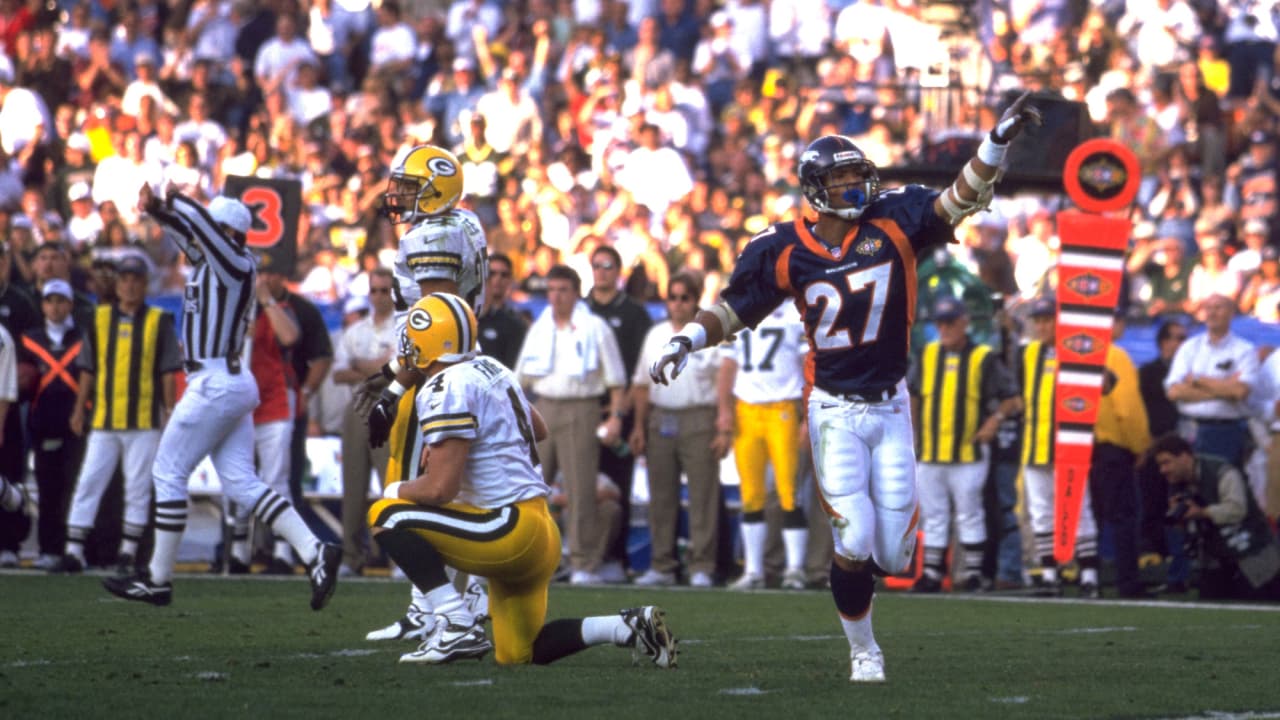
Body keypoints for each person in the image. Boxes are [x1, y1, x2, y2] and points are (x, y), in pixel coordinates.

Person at [649, 94, 1044, 682]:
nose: (855, 188)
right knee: (853, 539)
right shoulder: (781, 248)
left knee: (893, 555)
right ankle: (864, 650)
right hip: (833, 408)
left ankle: (875, 580)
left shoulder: (896, 219)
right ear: (813, 188)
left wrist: (995, 143)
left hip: (891, 406)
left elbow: (960, 198)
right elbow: (735, 309)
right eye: (840, 181)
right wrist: (687, 338)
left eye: (859, 176)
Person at [367, 292, 677, 667]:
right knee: (518, 653)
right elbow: (539, 428)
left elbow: (438, 489)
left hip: (505, 530)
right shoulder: (493, 369)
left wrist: (394, 488)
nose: (408, 345)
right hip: (540, 532)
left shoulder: (444, 385)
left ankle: (457, 622)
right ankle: (625, 627)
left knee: (386, 514)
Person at [103, 184, 340, 608]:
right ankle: (315, 550)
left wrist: (173, 201)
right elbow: (187, 235)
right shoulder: (221, 262)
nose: (202, 237)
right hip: (226, 381)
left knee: (168, 471)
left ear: (225, 231)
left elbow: (199, 230)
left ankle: (158, 578)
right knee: (243, 483)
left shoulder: (233, 262)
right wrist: (159, 211)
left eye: (214, 228)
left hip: (214, 381)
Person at [355, 144, 490, 642]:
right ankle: (436, 603)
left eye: (409, 188)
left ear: (437, 190)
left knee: (414, 493)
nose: (399, 196)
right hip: (457, 365)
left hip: (434, 376)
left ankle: (445, 608)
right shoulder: (466, 224)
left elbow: (435, 329)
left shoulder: (433, 234)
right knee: (445, 488)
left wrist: (394, 385)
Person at [54, 256, 180, 575]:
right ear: (118, 284)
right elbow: (88, 369)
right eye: (125, 279)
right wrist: (78, 409)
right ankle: (73, 551)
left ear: (145, 284)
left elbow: (168, 370)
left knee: (137, 487)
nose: (130, 285)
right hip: (105, 417)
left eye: (136, 279)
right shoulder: (100, 319)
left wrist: (169, 410)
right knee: (89, 482)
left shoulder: (159, 320)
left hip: (144, 418)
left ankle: (127, 552)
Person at [515, 265, 628, 585]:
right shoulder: (540, 326)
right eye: (551, 290)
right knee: (531, 486)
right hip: (544, 405)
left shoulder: (596, 327)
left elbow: (617, 381)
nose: (556, 296)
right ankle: (529, 558)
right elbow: (520, 377)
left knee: (580, 488)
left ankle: (583, 563)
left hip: (582, 407)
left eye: (563, 290)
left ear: (576, 292)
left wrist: (615, 418)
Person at [908, 296, 1021, 593]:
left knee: (969, 512)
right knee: (933, 515)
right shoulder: (928, 354)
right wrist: (914, 432)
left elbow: (1013, 399)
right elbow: (914, 394)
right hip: (931, 451)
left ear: (964, 323)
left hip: (968, 450)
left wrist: (993, 420)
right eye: (940, 323)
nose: (944, 329)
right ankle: (932, 574)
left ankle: (974, 575)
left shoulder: (983, 356)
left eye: (950, 323)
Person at [630, 272, 722, 588]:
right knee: (661, 496)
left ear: (695, 300)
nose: (678, 304)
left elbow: (722, 379)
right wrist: (639, 426)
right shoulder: (655, 334)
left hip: (699, 415)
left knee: (702, 494)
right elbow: (641, 385)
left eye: (684, 297)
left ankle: (701, 565)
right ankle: (662, 564)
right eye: (673, 297)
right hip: (661, 417)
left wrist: (723, 422)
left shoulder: (706, 334)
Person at [717, 300, 810, 590]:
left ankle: (795, 568)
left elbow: (809, 364)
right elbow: (728, 364)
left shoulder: (797, 312)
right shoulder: (739, 308)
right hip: (746, 409)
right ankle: (754, 570)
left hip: (783, 407)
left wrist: (807, 415)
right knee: (751, 494)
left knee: (789, 492)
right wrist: (724, 410)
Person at [1016, 296, 1102, 597]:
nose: (1041, 326)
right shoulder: (1027, 354)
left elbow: (1108, 382)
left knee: (1079, 509)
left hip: (1070, 446)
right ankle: (1050, 574)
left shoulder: (1078, 351)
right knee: (1041, 512)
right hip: (1035, 446)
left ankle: (1089, 575)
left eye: (1046, 319)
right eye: (1037, 320)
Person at [585, 244, 652, 582]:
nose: (602, 271)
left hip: (618, 412)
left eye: (608, 265)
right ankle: (582, 556)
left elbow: (638, 369)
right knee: (582, 486)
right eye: (596, 265)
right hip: (584, 410)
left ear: (619, 271)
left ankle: (617, 558)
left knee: (620, 487)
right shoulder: (581, 310)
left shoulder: (635, 314)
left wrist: (619, 414)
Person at [1152, 433, 1280, 601]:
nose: (1163, 470)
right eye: (1160, 465)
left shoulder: (1222, 471)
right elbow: (1191, 528)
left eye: (1166, 462)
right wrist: (1183, 522)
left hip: (1252, 555)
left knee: (1257, 605)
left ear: (1184, 457)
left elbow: (1236, 509)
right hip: (1216, 559)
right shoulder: (1176, 484)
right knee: (1211, 606)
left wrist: (1202, 512)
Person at [331, 268, 396, 576]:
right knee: (353, 487)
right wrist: (377, 369)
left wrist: (363, 366)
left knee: (393, 486)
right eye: (375, 290)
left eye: (385, 290)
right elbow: (338, 373)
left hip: (391, 405)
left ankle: (399, 558)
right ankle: (350, 556)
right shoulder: (356, 330)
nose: (380, 296)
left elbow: (398, 370)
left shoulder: (405, 326)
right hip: (358, 406)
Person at [18, 279, 87, 570]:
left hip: (76, 421)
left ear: (70, 304)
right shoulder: (29, 339)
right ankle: (48, 547)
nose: (55, 307)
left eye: (61, 301)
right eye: (50, 301)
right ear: (43, 305)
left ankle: (75, 548)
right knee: (47, 488)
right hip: (43, 421)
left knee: (77, 488)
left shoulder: (84, 337)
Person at [1089, 314, 1154, 598]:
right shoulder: (1115, 356)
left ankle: (1087, 577)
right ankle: (1127, 582)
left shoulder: (1074, 354)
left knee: (1090, 518)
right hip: (1112, 447)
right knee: (1123, 516)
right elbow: (1127, 408)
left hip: (1078, 447)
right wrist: (1140, 446)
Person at [1165, 293, 1258, 470]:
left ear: (1231, 313)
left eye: (1218, 308)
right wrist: (1225, 386)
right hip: (1188, 428)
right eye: (1208, 308)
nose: (1212, 313)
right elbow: (1174, 391)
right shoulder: (1189, 347)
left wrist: (1197, 380)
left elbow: (1240, 392)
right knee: (1187, 488)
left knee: (1222, 487)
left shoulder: (1244, 350)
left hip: (1225, 432)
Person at [476, 252, 528, 371]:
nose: (497, 279)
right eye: (492, 274)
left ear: (511, 280)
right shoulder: (468, 318)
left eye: (504, 275)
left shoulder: (516, 324)